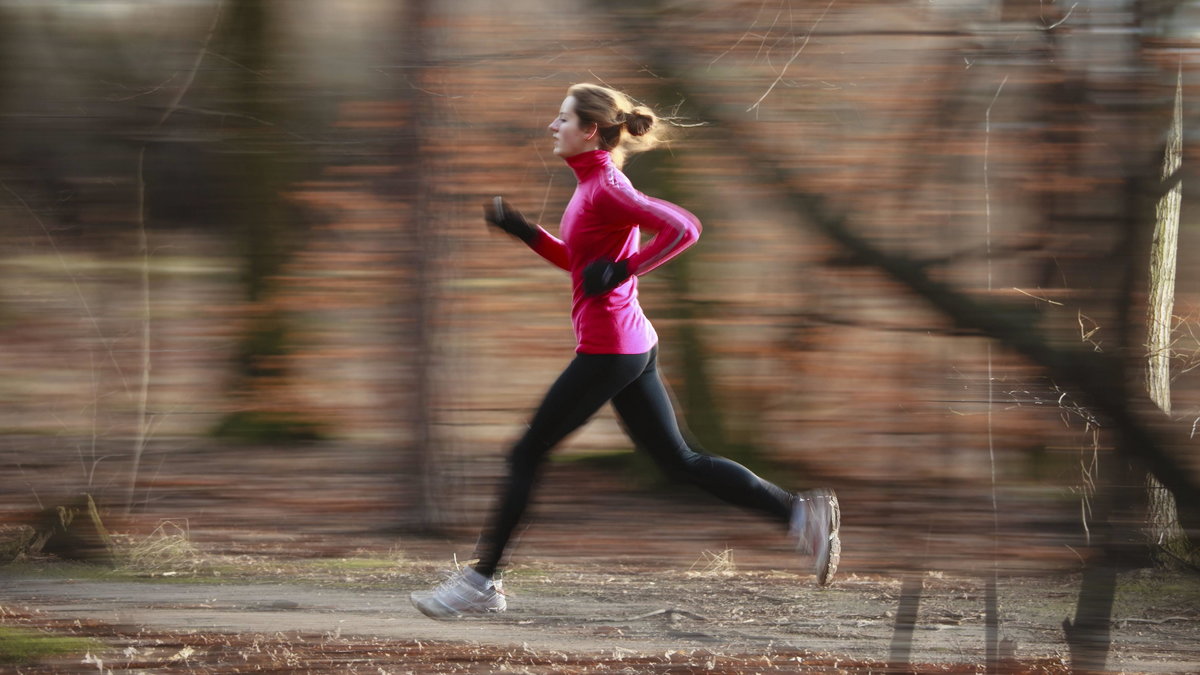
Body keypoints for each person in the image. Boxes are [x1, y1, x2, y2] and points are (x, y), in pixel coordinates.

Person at [411, 83, 839, 619]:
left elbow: (685, 227)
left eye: (562, 118)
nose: (552, 126)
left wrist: (626, 269)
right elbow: (581, 263)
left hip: (611, 347)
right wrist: (526, 232)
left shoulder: (607, 186)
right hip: (631, 342)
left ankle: (480, 581)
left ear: (590, 129)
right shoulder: (592, 185)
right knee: (678, 460)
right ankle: (799, 515)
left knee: (526, 454)